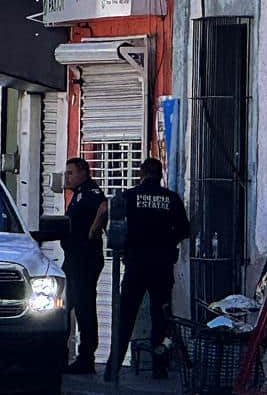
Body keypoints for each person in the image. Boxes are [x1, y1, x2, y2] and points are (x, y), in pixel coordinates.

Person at [103, 157, 191, 383]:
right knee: (161, 318)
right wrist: (165, 242)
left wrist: (128, 246)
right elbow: (184, 229)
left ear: (141, 174)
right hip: (161, 267)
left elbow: (115, 228)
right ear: (161, 174)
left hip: (135, 265)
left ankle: (112, 369)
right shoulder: (171, 199)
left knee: (125, 317)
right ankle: (159, 368)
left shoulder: (129, 197)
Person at [58, 158, 109, 375]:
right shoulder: (78, 194)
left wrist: (94, 229)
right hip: (73, 259)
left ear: (83, 173)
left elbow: (105, 206)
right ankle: (59, 354)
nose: (67, 176)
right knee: (61, 306)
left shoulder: (91, 192)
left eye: (71, 172)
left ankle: (86, 357)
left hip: (85, 259)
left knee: (84, 307)